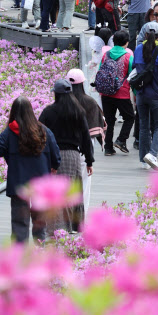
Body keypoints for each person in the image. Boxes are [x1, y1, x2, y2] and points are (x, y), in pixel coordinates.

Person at [0, 96, 61, 243]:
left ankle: (20, 249)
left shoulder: (9, 132)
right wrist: (54, 167)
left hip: (19, 183)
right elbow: (56, 156)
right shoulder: (44, 130)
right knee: (39, 219)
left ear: (13, 112)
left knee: (19, 221)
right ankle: (40, 245)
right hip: (40, 183)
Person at [39, 80, 93, 232]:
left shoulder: (48, 111)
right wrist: (89, 161)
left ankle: (59, 228)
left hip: (53, 156)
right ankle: (75, 225)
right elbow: (86, 137)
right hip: (73, 155)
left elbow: (39, 133)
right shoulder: (78, 111)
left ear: (56, 94)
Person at [132, 22, 158, 171]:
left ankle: (143, 159)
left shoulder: (138, 49)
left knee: (143, 126)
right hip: (157, 93)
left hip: (141, 93)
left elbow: (135, 67)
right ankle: (152, 154)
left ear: (145, 34)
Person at [67, 68, 104, 208]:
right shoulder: (90, 102)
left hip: (65, 148)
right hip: (85, 147)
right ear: (82, 83)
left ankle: (68, 215)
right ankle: (82, 216)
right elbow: (98, 125)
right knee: (84, 184)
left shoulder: (64, 102)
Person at [95, 29, 134, 156]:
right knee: (129, 117)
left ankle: (108, 148)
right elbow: (132, 75)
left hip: (106, 93)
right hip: (122, 93)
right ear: (126, 42)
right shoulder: (128, 56)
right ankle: (121, 140)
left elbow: (100, 70)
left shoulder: (106, 55)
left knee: (110, 120)